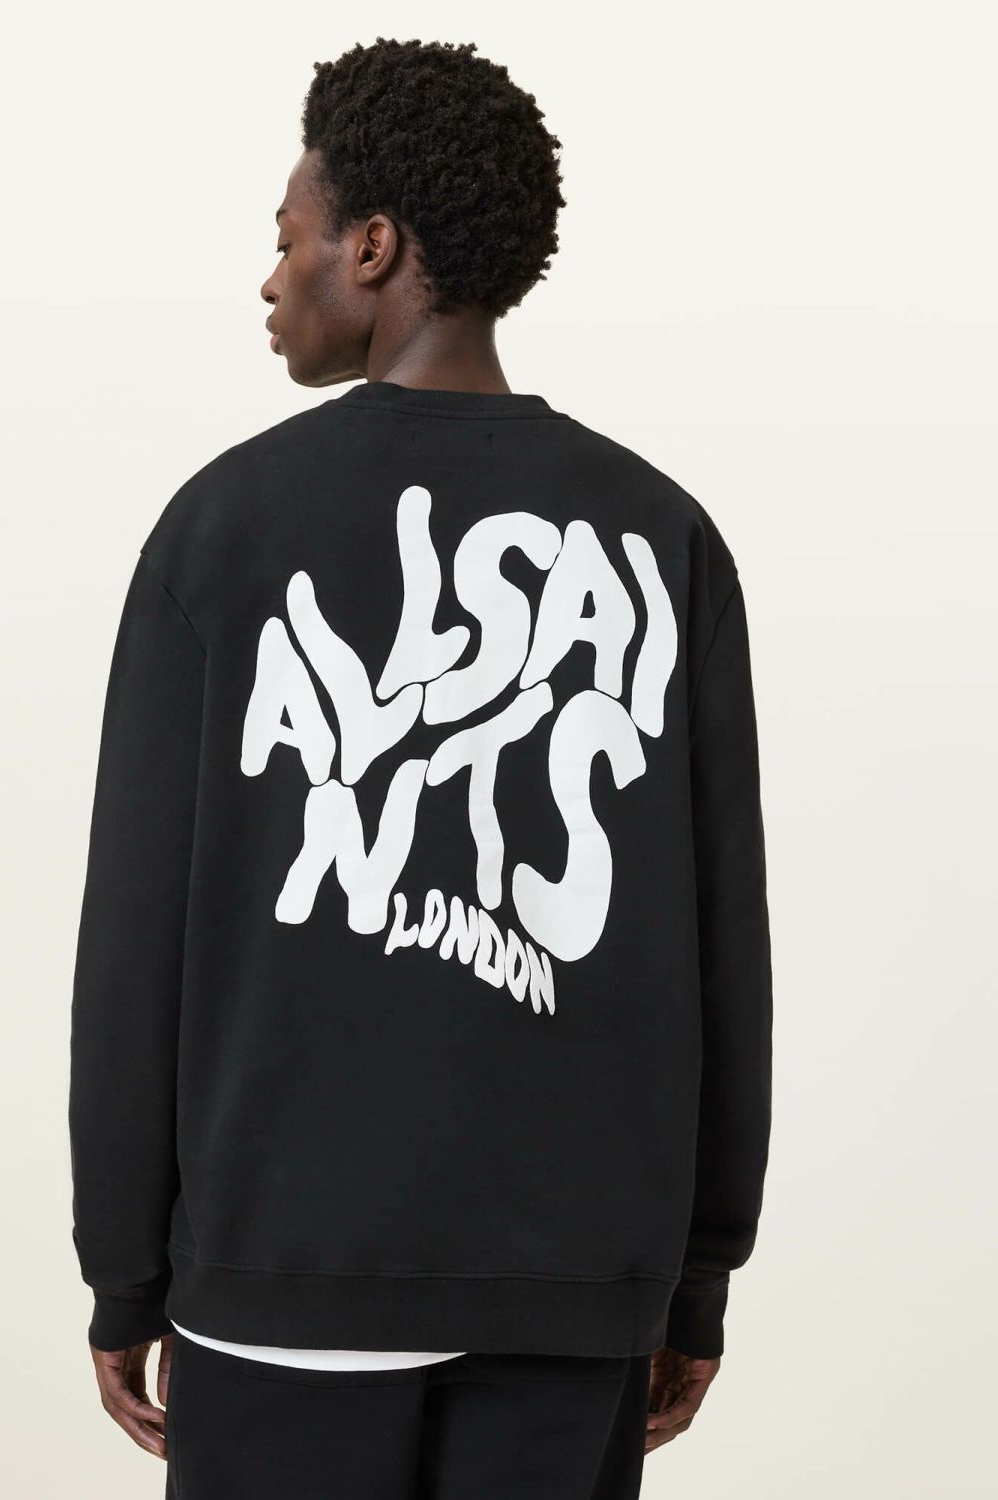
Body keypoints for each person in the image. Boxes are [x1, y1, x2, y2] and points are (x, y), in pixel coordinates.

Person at [68, 36, 773, 1500]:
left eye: (290, 240)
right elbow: (724, 947)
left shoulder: (223, 529)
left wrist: (125, 1268)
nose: (272, 280)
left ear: (374, 247)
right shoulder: (664, 538)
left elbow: (136, 935)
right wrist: (695, 1274)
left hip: (282, 1281)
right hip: (574, 1294)